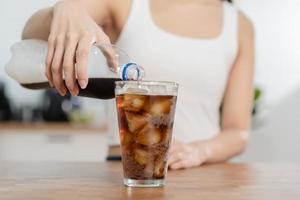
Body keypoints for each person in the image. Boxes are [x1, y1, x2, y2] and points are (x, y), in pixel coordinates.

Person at [22, 0, 254, 169]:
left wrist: (200, 151)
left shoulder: (240, 24)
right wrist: (66, 8)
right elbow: (30, 35)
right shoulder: (125, 4)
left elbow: (238, 131)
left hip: (204, 174)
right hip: (125, 172)